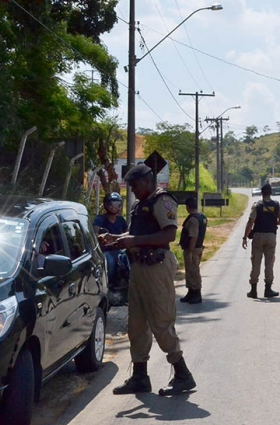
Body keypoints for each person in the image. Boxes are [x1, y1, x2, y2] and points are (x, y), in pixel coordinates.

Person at [99, 164, 196, 396]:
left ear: (147, 181)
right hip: (139, 268)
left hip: (157, 267)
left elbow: (169, 234)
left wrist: (133, 241)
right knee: (136, 324)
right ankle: (140, 377)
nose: (132, 189)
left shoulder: (162, 201)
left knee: (161, 321)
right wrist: (115, 238)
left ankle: (183, 374)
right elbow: (134, 235)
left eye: (134, 185)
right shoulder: (139, 205)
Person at [241, 183, 280, 298]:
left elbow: (250, 222)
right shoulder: (276, 205)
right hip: (271, 236)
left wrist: (245, 237)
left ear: (261, 193)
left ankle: (253, 290)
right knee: (269, 264)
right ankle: (268, 289)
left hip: (258, 236)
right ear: (271, 192)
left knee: (256, 263)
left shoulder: (257, 205)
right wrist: (272, 222)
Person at [93, 192, 129, 284]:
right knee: (110, 262)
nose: (114, 207)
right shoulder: (100, 219)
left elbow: (128, 233)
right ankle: (108, 285)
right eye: (111, 204)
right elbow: (96, 234)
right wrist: (101, 237)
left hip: (120, 250)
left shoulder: (121, 220)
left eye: (117, 204)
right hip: (105, 251)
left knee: (129, 260)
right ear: (106, 205)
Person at [179, 196, 207, 304]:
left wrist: (190, 251)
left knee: (193, 271)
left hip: (193, 249)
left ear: (187, 207)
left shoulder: (193, 219)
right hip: (198, 248)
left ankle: (196, 293)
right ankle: (190, 292)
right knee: (190, 271)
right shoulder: (201, 217)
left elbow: (193, 236)